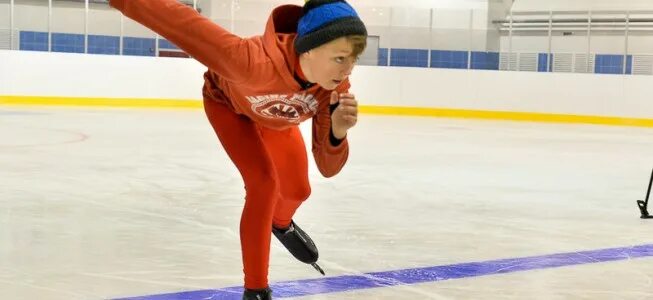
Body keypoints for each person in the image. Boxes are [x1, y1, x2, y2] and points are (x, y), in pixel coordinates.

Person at [108, 0, 367, 298]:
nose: (348, 70)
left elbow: (328, 167)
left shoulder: (334, 89)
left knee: (298, 191)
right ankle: (256, 289)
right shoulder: (250, 62)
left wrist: (337, 132)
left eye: (353, 59)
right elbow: (179, 22)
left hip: (275, 118)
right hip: (229, 106)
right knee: (264, 185)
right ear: (307, 48)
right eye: (340, 58)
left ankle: (280, 225)